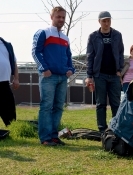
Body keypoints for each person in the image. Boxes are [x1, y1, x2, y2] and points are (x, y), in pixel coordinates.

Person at [32, 6, 75, 146]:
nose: (61, 19)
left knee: (58, 107)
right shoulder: (43, 32)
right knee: (46, 106)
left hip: (62, 77)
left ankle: (54, 136)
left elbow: (69, 56)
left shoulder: (65, 38)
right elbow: (35, 52)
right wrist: (44, 68)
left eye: (63, 17)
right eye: (58, 17)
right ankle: (45, 138)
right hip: (48, 77)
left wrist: (71, 69)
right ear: (52, 17)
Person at [85, 11, 124, 133]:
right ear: (99, 22)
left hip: (114, 75)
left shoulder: (117, 35)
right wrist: (89, 75)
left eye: (108, 20)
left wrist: (120, 70)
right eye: (104, 21)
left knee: (116, 104)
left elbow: (121, 53)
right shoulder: (93, 36)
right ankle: (102, 129)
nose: (106, 23)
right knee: (101, 104)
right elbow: (90, 56)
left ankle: (116, 128)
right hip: (99, 75)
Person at [0, 37, 19, 126]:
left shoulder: (7, 45)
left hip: (5, 83)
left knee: (9, 110)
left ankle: (12, 129)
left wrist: (16, 78)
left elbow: (14, 63)